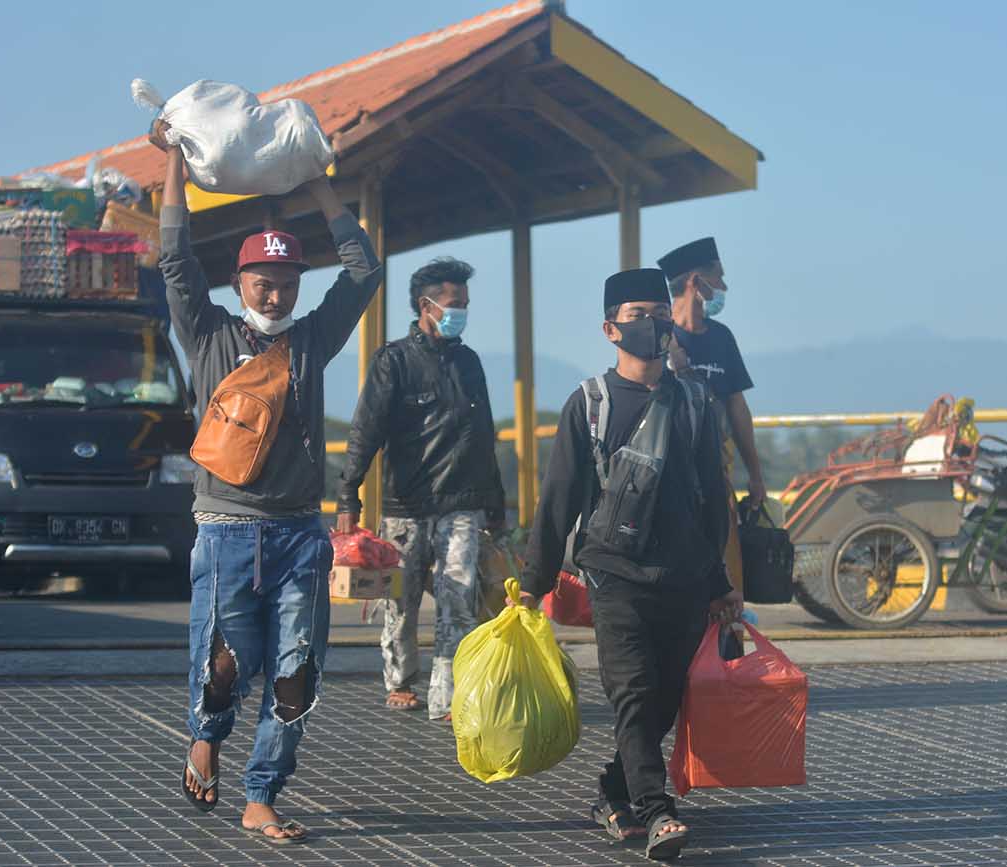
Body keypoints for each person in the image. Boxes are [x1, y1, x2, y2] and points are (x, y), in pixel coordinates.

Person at [153, 121, 383, 844]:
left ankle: (261, 792)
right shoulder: (207, 332)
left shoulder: (313, 339)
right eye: (264, 282)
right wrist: (171, 162)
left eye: (287, 283)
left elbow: (365, 270)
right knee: (225, 664)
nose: (277, 294)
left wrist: (318, 178)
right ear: (238, 283)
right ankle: (205, 733)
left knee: (296, 672)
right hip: (223, 531)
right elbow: (172, 257)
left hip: (298, 533)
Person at [521, 268, 743, 861]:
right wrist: (533, 582)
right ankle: (656, 809)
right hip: (614, 576)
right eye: (639, 315)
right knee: (634, 694)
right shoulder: (589, 404)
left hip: (686, 579)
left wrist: (720, 583)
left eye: (660, 313)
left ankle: (613, 792)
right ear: (610, 329)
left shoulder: (694, 400)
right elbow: (560, 496)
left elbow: (712, 497)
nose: (655, 324)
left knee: (664, 701)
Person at [336, 257, 505, 719]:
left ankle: (447, 695)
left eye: (466, 304)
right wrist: (348, 495)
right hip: (405, 505)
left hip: (463, 503)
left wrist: (496, 501)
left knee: (459, 597)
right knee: (401, 600)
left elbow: (483, 433)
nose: (461, 312)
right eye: (454, 304)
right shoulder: (393, 361)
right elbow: (365, 431)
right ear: (424, 306)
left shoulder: (469, 363)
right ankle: (401, 680)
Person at [659, 237, 765, 596]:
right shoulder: (656, 339)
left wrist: (756, 475)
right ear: (695, 282)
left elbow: (738, 409)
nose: (723, 287)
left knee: (725, 566)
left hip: (716, 474)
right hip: (666, 477)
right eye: (717, 278)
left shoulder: (722, 338)